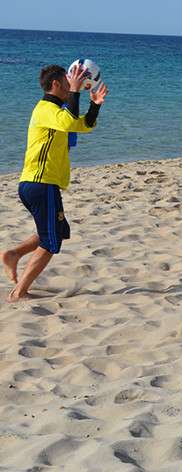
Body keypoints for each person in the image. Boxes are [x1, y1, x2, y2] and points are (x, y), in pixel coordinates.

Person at [2, 65, 107, 303]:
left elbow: (82, 125)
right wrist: (76, 92)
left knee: (58, 232)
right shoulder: (46, 109)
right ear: (56, 84)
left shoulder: (56, 112)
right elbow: (70, 122)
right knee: (51, 242)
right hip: (40, 183)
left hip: (41, 183)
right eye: (68, 82)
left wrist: (95, 105)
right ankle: (18, 293)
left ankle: (13, 255)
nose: (72, 86)